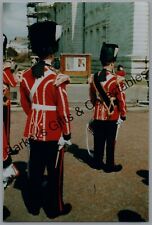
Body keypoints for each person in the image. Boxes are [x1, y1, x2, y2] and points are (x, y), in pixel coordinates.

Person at [20, 21, 72, 218]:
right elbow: (63, 110)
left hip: (34, 131)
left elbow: (27, 105)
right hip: (53, 132)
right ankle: (54, 209)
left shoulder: (26, 76)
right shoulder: (57, 78)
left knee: (35, 171)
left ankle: (33, 207)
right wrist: (66, 133)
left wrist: (36, 119)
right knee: (54, 174)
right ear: (52, 49)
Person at [89, 42, 126, 173]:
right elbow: (121, 98)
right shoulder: (117, 79)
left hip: (98, 114)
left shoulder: (94, 77)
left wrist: (97, 107)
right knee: (110, 142)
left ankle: (97, 162)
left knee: (98, 140)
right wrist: (123, 114)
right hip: (112, 115)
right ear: (112, 63)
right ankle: (109, 165)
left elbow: (92, 97)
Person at [3, 34, 19, 188]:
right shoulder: (4, 68)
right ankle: (6, 150)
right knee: (5, 127)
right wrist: (13, 68)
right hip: (4, 102)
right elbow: (13, 83)